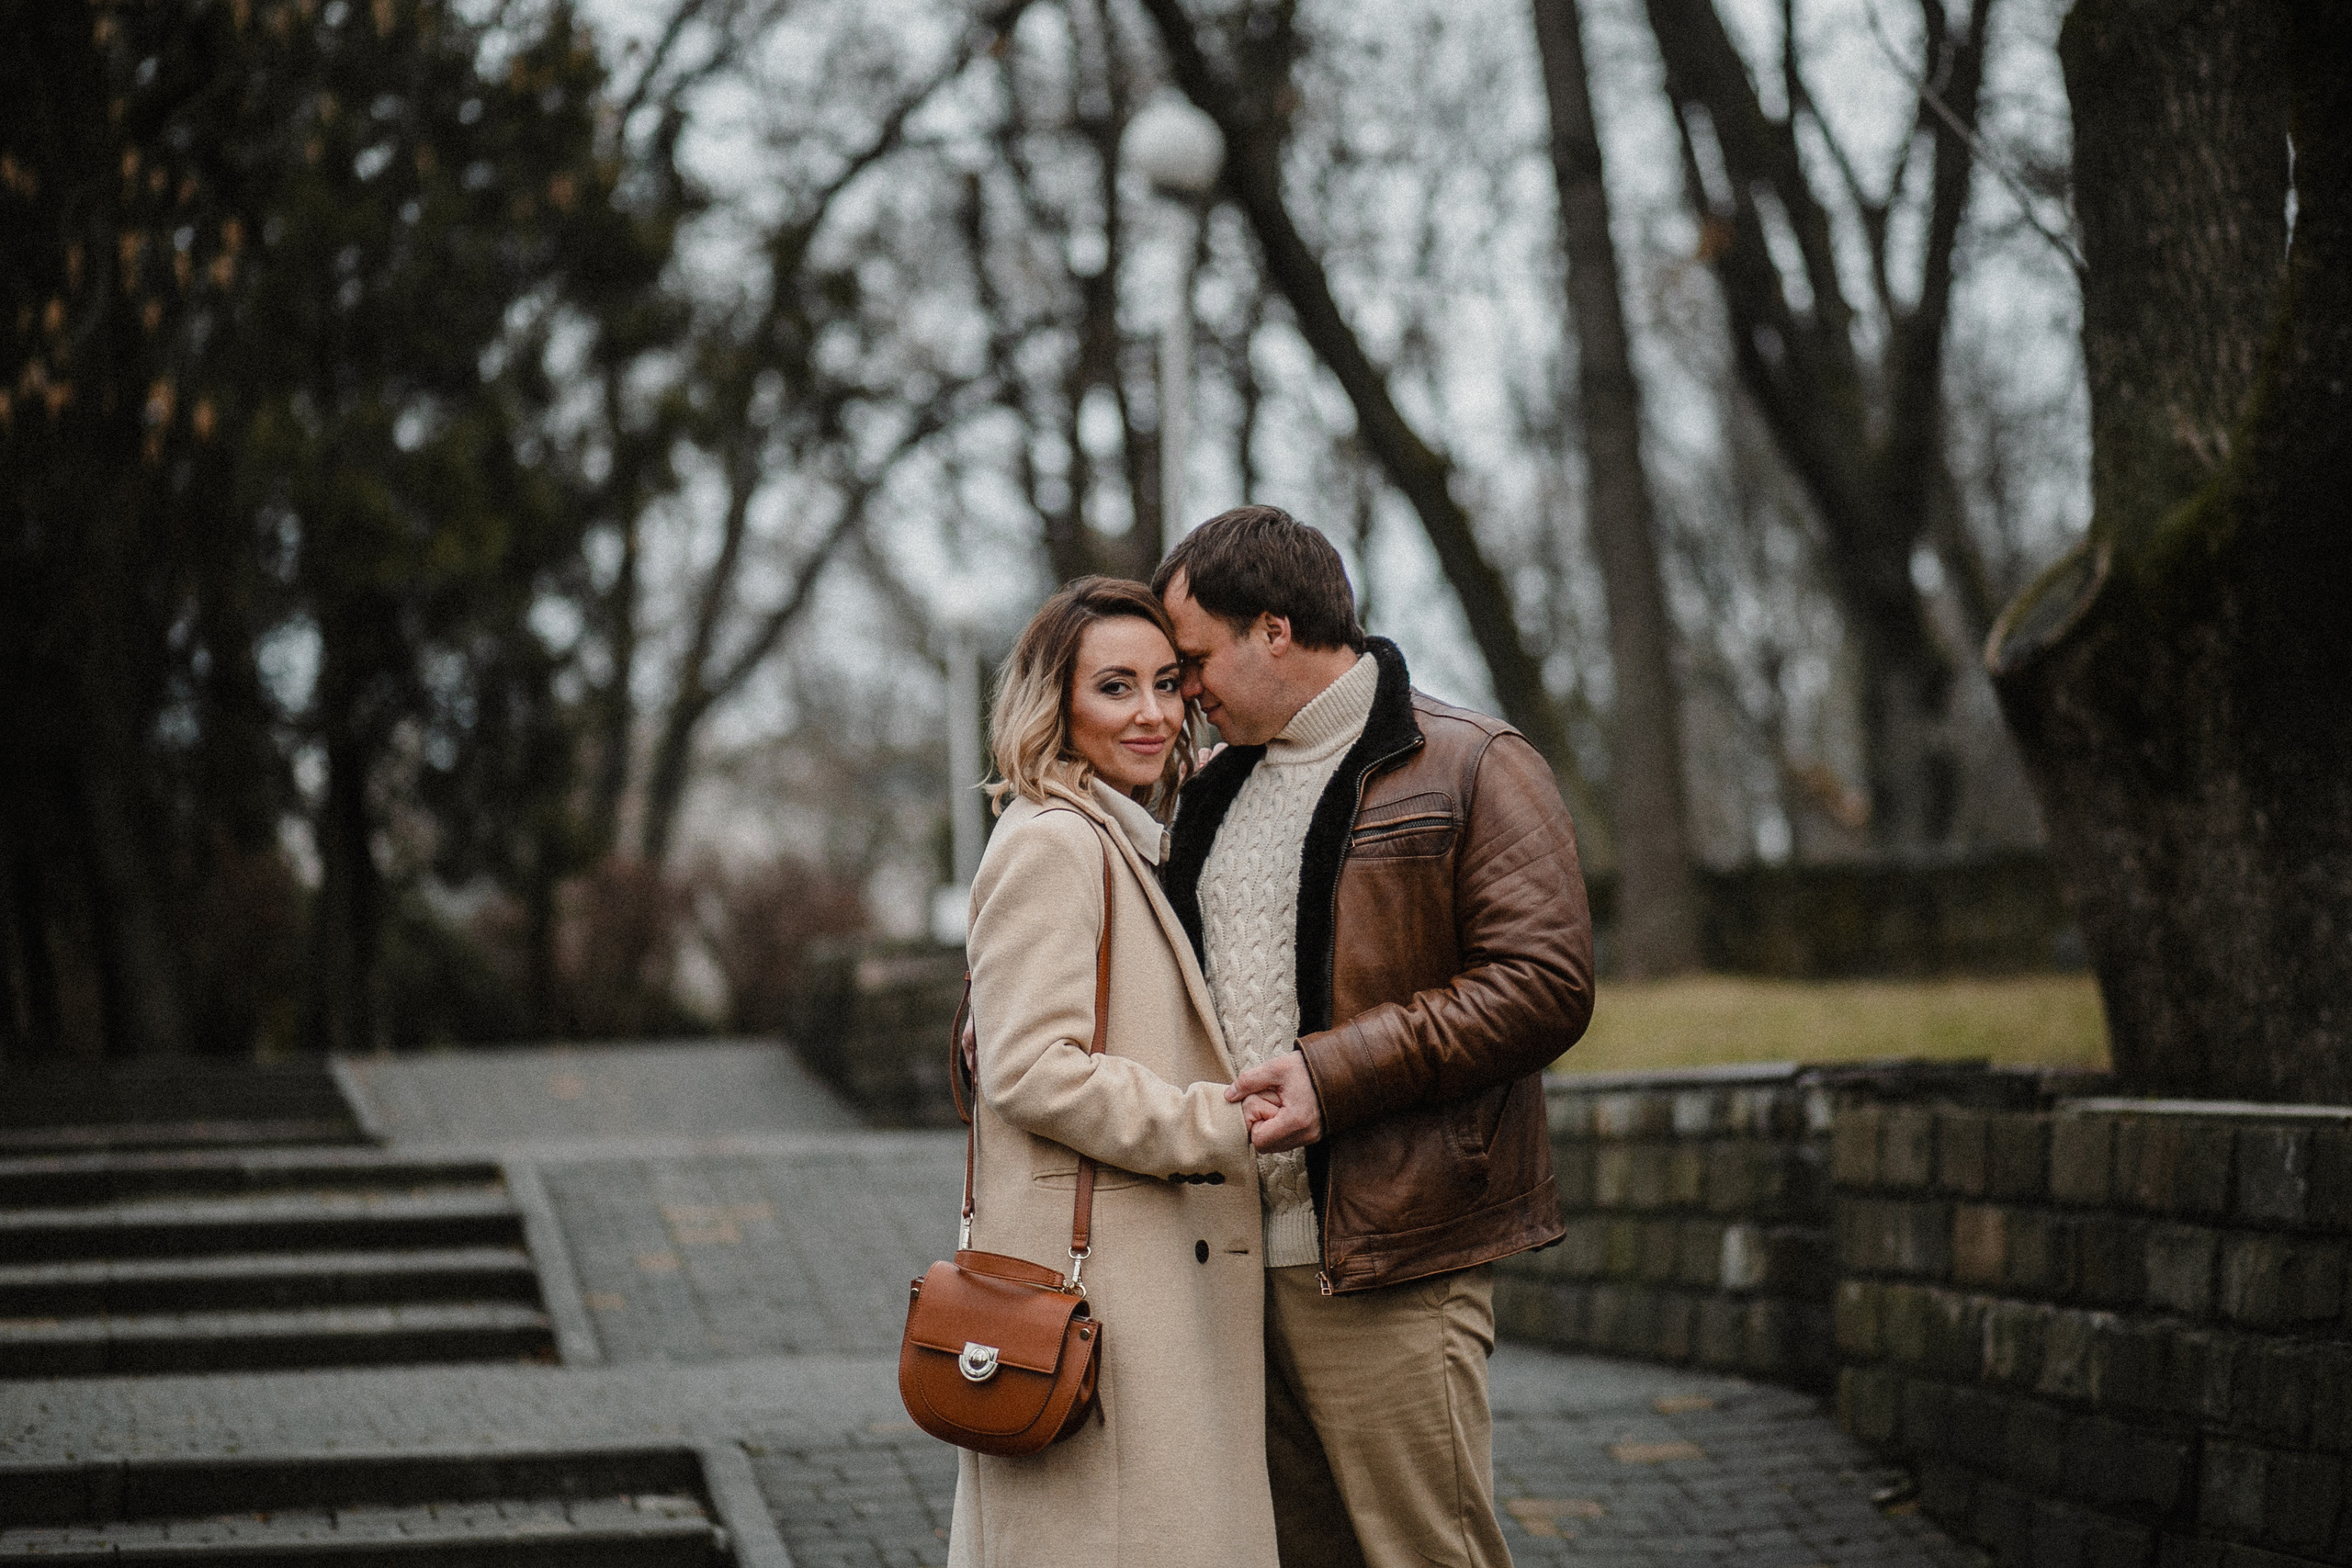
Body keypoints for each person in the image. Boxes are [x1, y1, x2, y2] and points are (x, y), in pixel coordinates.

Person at [1153, 507, 1596, 1568]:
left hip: (1391, 1261)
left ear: (1272, 628)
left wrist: (1332, 1075)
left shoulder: (1472, 762)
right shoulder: (1209, 789)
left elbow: (1545, 986)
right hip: (1224, 1269)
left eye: (1193, 659)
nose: (1185, 691)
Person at [948, 576, 1279, 1568]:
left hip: (1142, 1288)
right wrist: (1217, 1124)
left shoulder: (1122, 840)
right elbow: (1034, 1073)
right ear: (1059, 705)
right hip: (1108, 1296)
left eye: (1166, 684)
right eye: (1115, 687)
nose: (1150, 713)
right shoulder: (1055, 843)